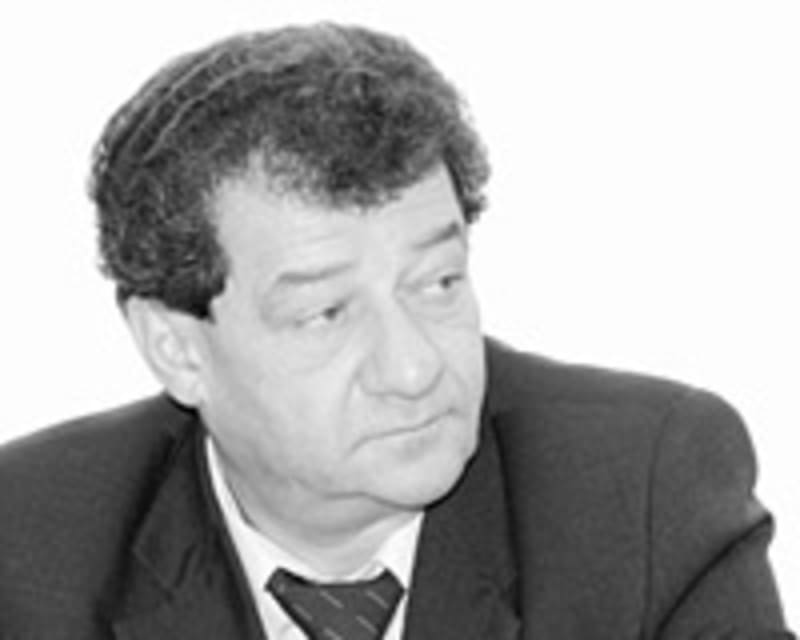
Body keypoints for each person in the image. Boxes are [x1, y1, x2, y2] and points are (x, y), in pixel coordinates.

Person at [0, 23, 793, 640]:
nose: (414, 369)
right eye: (326, 313)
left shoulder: (646, 494)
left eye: (437, 283)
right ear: (177, 348)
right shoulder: (26, 552)